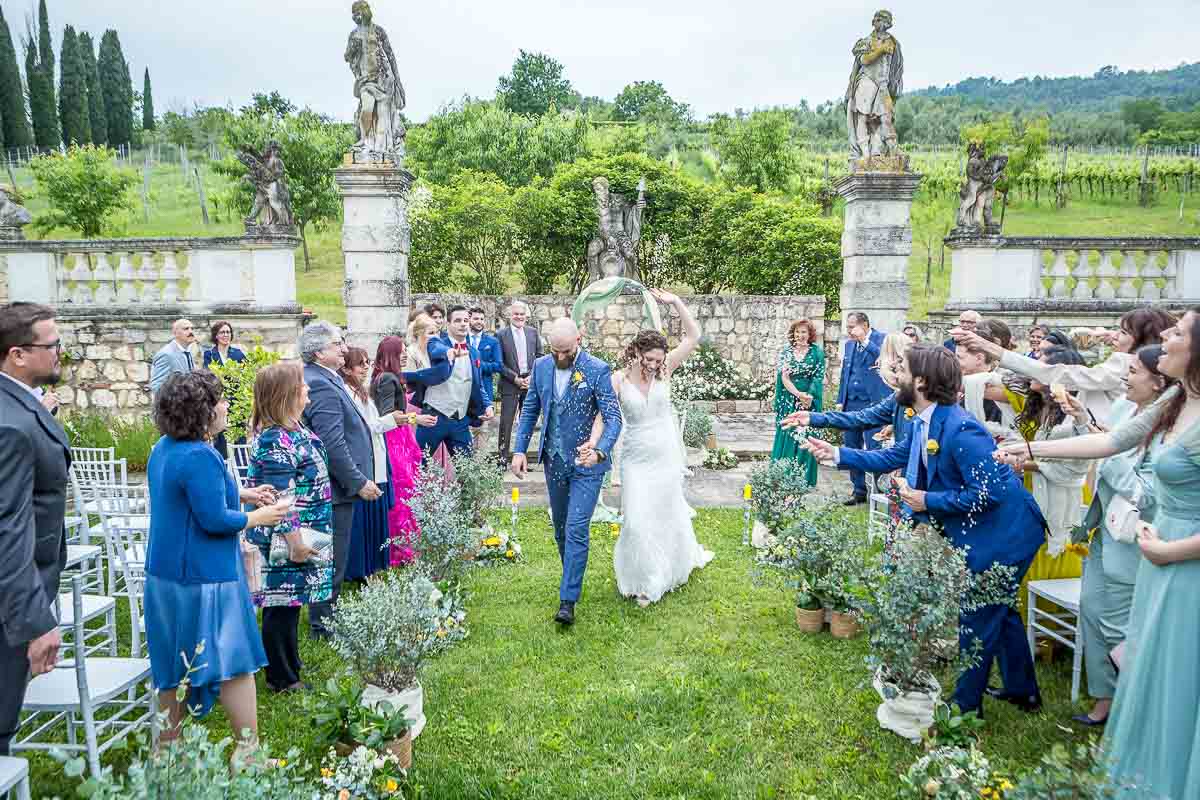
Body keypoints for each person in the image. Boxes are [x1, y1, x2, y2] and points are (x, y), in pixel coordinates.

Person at [998, 309, 1200, 798]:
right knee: (1147, 666)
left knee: (1179, 675)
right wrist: (1035, 451)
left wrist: (1173, 551)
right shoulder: (1176, 399)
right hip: (1158, 552)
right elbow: (1112, 440)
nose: (1166, 335)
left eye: (1179, 331)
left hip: (1181, 557)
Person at [806, 345, 1047, 716]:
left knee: (977, 614)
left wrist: (926, 501)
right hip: (986, 527)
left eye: (901, 369)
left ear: (920, 381)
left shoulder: (961, 428)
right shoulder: (924, 420)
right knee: (1000, 609)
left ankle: (965, 709)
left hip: (1007, 532)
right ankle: (1023, 690)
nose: (894, 375)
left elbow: (990, 494)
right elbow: (893, 457)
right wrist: (837, 455)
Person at [144, 371, 287, 762]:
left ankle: (165, 754)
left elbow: (188, 493)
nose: (225, 406)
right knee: (234, 662)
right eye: (220, 401)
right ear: (202, 411)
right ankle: (248, 753)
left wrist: (243, 492)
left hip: (164, 576)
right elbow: (213, 520)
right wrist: (263, 515)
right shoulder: (201, 455)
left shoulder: (165, 448)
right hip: (206, 577)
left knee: (172, 664)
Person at [1062, 346, 1170, 727]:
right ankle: (1104, 700)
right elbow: (1098, 447)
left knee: (1118, 626)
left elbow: (1148, 495)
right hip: (1102, 531)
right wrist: (1081, 422)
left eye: (1135, 371)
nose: (1126, 376)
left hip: (1133, 539)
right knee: (1091, 612)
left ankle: (1139, 707)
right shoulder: (1124, 410)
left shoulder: (1168, 433)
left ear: (1159, 383)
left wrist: (1110, 452)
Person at [511, 317, 623, 625]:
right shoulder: (542, 367)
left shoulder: (597, 369)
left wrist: (600, 450)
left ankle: (567, 600)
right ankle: (571, 575)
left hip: (588, 464)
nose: (560, 357)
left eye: (566, 351)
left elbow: (613, 418)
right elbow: (531, 409)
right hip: (554, 461)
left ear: (580, 339)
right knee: (560, 527)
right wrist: (520, 449)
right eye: (555, 351)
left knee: (576, 527)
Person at [602, 291, 711, 607]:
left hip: (664, 455)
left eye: (657, 361)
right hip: (636, 457)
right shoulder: (618, 380)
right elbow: (605, 417)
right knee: (635, 520)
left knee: (664, 514)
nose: (652, 366)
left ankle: (653, 581)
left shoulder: (666, 369)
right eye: (647, 360)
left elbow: (694, 336)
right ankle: (639, 574)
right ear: (635, 352)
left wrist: (676, 302)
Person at [0, 303, 70, 756]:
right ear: (17, 354)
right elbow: (9, 527)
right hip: (10, 609)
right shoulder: (12, 425)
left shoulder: (19, 405)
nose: (60, 353)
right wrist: (34, 621)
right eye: (52, 344)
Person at [245, 362, 335, 694]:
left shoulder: (292, 428)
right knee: (280, 604)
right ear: (288, 394)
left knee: (292, 601)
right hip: (285, 537)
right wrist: (295, 542)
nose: (308, 389)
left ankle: (290, 666)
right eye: (302, 385)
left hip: (305, 530)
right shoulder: (274, 439)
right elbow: (279, 498)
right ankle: (281, 678)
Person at [955, 308, 1177, 427]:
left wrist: (996, 351)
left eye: (1123, 333)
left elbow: (1056, 373)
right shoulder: (1141, 362)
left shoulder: (1124, 362)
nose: (1115, 337)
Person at [298, 320, 380, 640]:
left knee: (332, 555)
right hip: (334, 489)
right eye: (337, 344)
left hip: (336, 487)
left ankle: (326, 619)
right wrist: (358, 481)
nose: (344, 349)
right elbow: (332, 442)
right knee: (330, 557)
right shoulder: (318, 382)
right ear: (319, 352)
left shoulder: (323, 377)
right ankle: (324, 626)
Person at [370, 336, 432, 567]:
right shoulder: (386, 379)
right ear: (390, 354)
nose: (405, 354)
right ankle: (399, 551)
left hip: (400, 435)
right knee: (402, 488)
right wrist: (417, 418)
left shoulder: (386, 376)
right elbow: (388, 415)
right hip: (394, 438)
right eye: (401, 351)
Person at [339, 346, 398, 580]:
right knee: (364, 520)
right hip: (365, 460)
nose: (366, 367)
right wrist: (393, 420)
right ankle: (362, 569)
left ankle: (375, 565)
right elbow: (366, 427)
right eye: (360, 363)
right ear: (346, 368)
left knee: (376, 517)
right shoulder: (347, 392)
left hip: (377, 457)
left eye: (367, 362)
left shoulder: (361, 391)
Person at [407, 306, 486, 458]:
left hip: (460, 418)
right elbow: (436, 349)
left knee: (468, 469)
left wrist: (487, 404)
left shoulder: (475, 353)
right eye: (457, 321)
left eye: (465, 320)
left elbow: (477, 383)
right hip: (434, 415)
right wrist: (448, 352)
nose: (463, 324)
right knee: (418, 464)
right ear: (447, 324)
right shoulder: (436, 344)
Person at [836, 311, 889, 505]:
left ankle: (880, 490)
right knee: (851, 447)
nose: (849, 331)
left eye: (851, 327)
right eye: (847, 327)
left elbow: (884, 360)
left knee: (875, 448)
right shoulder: (849, 345)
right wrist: (840, 400)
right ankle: (858, 490)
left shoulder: (882, 339)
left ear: (865, 324)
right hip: (852, 403)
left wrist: (865, 342)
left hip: (873, 404)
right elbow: (845, 373)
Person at [770, 318, 826, 484]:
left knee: (806, 436)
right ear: (793, 334)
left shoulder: (817, 352)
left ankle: (804, 478)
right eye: (797, 332)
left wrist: (808, 396)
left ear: (810, 334)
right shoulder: (786, 352)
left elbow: (818, 377)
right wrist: (798, 395)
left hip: (811, 398)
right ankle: (783, 475)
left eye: (804, 332)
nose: (800, 335)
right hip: (789, 398)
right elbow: (784, 378)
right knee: (788, 433)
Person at [497, 301, 542, 465]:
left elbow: (540, 356)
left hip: (529, 382)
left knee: (527, 421)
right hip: (510, 383)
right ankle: (502, 460)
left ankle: (522, 457)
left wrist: (531, 376)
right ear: (510, 315)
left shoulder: (533, 333)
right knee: (506, 423)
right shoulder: (501, 335)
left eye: (522, 314)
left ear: (526, 316)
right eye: (516, 314)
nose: (519, 317)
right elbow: (499, 363)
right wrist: (515, 378)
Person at [203, 320, 247, 460]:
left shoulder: (238, 354)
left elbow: (246, 376)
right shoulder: (209, 354)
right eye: (222, 332)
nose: (226, 335)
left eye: (228, 332)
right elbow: (208, 376)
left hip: (237, 402)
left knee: (240, 437)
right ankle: (222, 466)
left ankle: (242, 472)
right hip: (219, 401)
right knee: (220, 436)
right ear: (216, 335)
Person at [467, 307, 502, 450]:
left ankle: (480, 468)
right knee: (465, 433)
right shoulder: (462, 339)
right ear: (469, 319)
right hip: (464, 392)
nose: (479, 322)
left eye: (481, 319)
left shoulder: (492, 341)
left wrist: (478, 365)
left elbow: (498, 365)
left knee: (482, 431)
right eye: (476, 318)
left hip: (484, 392)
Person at [149, 318, 197, 395]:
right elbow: (157, 387)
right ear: (175, 333)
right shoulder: (166, 354)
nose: (191, 331)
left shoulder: (187, 352)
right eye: (186, 329)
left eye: (192, 328)